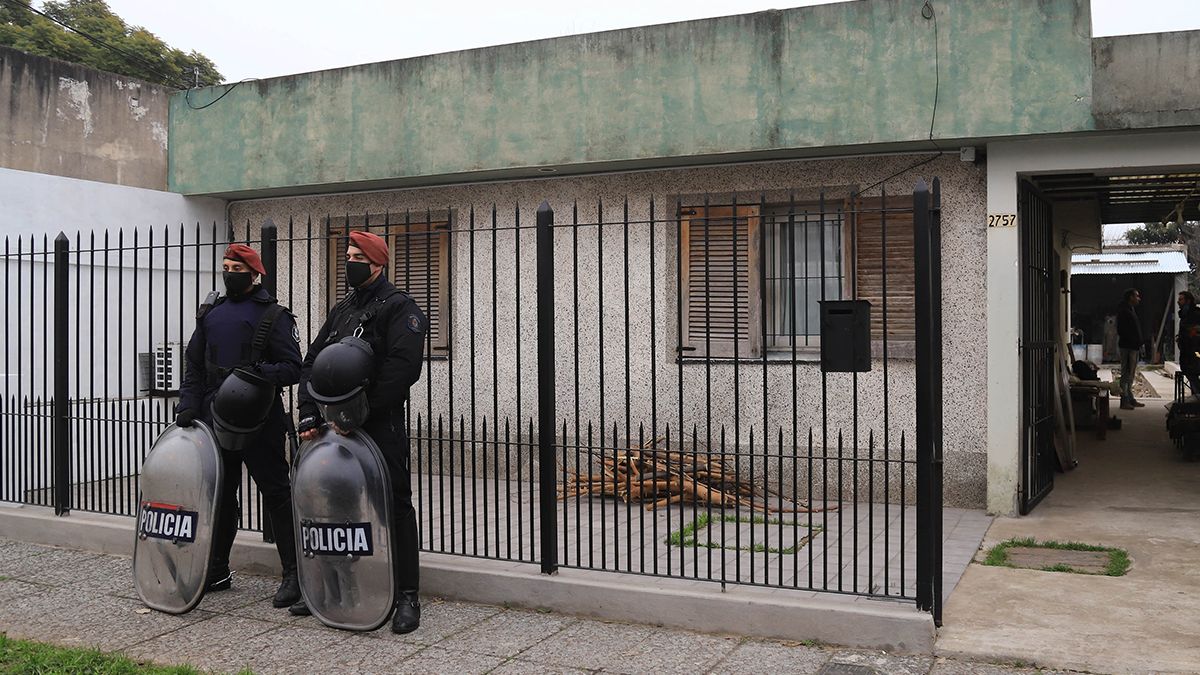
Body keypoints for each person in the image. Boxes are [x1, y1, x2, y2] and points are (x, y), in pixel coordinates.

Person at [292, 230, 427, 634]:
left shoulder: (400, 308)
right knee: (335, 507)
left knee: (395, 506)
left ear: (377, 263)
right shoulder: (343, 310)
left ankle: (406, 596)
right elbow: (313, 361)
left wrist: (359, 414)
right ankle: (333, 589)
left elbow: (404, 370)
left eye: (356, 256)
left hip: (377, 426)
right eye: (347, 255)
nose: (349, 262)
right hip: (332, 429)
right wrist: (308, 412)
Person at [175, 244, 304, 609]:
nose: (229, 273)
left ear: (254, 274)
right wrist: (187, 404)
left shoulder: (274, 315)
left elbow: (293, 367)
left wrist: (253, 373)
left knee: (277, 495)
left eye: (236, 267)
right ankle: (217, 569)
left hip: (260, 418)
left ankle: (294, 574)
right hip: (215, 416)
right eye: (225, 266)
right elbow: (194, 364)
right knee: (220, 496)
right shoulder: (211, 314)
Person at [1116, 288, 1144, 410]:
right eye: (1136, 296)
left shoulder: (1130, 310)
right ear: (1130, 297)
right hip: (1128, 346)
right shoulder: (1124, 311)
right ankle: (1124, 400)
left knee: (1130, 374)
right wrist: (1134, 341)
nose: (1139, 298)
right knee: (1126, 374)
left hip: (1133, 346)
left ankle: (1130, 398)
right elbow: (1122, 330)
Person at [1178, 291, 1200, 397]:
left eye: (1181, 299)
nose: (1178, 302)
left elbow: (1195, 331)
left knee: (1193, 373)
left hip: (1196, 351)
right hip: (1186, 351)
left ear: (1188, 301)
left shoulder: (1196, 314)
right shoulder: (1184, 315)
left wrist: (1191, 334)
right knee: (1190, 373)